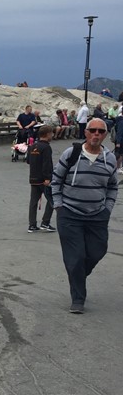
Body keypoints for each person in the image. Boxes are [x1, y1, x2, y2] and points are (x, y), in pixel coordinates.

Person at [51, 119, 118, 313]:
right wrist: (59, 206)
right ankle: (78, 299)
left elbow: (113, 186)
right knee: (76, 257)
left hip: (98, 215)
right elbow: (56, 181)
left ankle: (77, 275)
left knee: (98, 251)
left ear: (105, 135)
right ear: (86, 133)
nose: (96, 134)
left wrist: (107, 209)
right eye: (92, 130)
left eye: (100, 131)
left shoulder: (110, 159)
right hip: (69, 214)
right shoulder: (71, 154)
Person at [27, 125, 55, 233]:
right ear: (47, 134)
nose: (52, 135)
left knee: (33, 202)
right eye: (51, 133)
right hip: (43, 179)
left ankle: (32, 225)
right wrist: (48, 178)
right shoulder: (46, 147)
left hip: (33, 178)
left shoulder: (32, 146)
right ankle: (45, 222)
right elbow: (47, 164)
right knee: (52, 200)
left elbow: (29, 161)